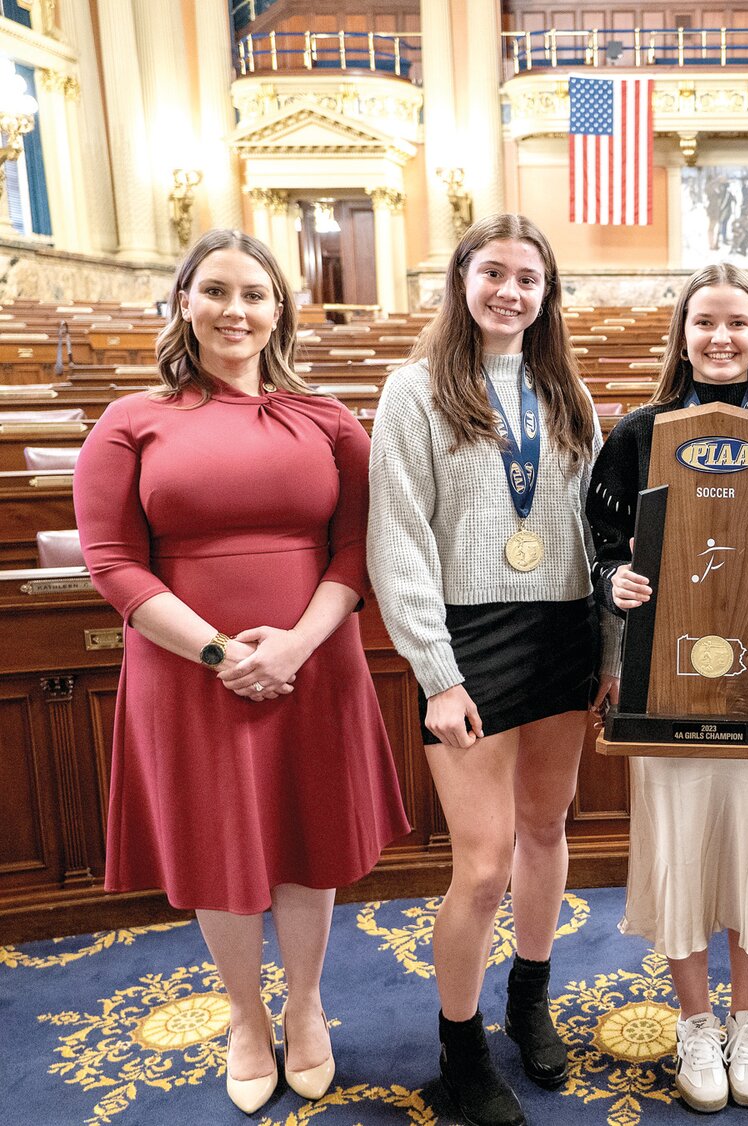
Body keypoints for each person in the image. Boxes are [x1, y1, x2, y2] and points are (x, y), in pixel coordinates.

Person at [73, 229, 410, 1116]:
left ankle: (304, 1008)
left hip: (314, 663)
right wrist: (222, 654)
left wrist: (294, 645)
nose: (236, 310)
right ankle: (243, 1017)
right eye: (216, 290)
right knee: (218, 842)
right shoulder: (132, 420)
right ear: (184, 301)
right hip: (188, 673)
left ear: (279, 311)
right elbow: (111, 561)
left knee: (307, 838)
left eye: (255, 294)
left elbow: (356, 548)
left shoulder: (329, 419)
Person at [367, 214, 615, 1126]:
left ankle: (530, 998)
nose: (511, 292)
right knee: (480, 865)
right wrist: (436, 672)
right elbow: (396, 545)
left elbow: (600, 537)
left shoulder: (568, 396)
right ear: (461, 278)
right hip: (465, 641)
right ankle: (461, 1044)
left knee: (546, 833)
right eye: (494, 273)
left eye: (529, 278)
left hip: (560, 632)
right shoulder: (414, 391)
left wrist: (609, 648)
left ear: (548, 295)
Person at [587, 262, 748, 1113]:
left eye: (739, 322)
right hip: (664, 690)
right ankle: (696, 1020)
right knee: (677, 848)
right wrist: (612, 583)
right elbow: (598, 542)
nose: (722, 337)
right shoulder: (637, 436)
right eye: (705, 322)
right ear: (684, 334)